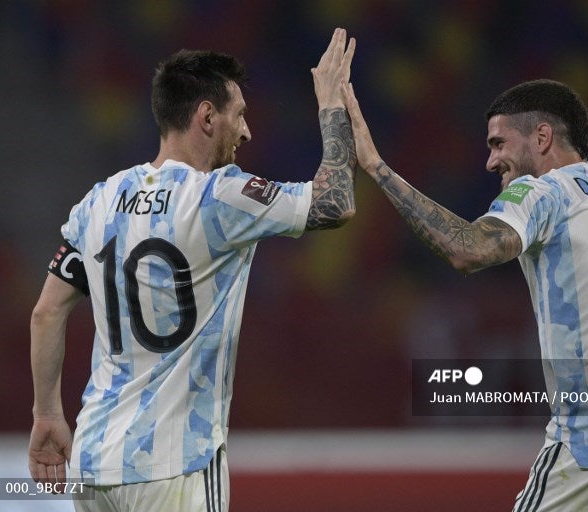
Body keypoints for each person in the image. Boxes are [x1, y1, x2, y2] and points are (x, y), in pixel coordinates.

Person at [341, 78, 588, 510]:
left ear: (542, 137)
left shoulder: (543, 192)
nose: (491, 161)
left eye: (499, 143)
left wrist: (376, 166)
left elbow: (469, 250)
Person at [28, 28, 356, 512]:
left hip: (94, 464)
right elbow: (336, 203)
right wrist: (331, 105)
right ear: (206, 116)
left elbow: (46, 312)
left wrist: (46, 414)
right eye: (238, 114)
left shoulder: (99, 201)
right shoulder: (220, 196)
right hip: (176, 464)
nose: (246, 131)